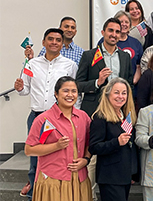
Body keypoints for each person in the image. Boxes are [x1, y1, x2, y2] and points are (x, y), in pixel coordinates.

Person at [15, 28, 78, 200]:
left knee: (59, 156)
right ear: (43, 42)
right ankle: (34, 194)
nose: (54, 42)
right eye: (50, 39)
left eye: (58, 40)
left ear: (62, 44)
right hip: (37, 117)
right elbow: (25, 89)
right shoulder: (32, 64)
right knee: (36, 157)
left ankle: (57, 194)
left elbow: (74, 93)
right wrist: (20, 88)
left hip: (60, 118)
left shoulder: (70, 65)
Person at [24, 76, 91, 201]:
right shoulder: (44, 119)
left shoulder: (83, 117)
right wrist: (56, 146)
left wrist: (86, 160)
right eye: (65, 91)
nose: (70, 95)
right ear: (56, 94)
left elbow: (89, 143)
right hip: (53, 180)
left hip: (79, 178)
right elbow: (29, 150)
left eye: (74, 91)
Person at [88, 77, 137, 201]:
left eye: (124, 93)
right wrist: (116, 142)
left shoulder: (125, 115)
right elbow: (94, 147)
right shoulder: (100, 117)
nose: (120, 96)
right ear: (108, 94)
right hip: (110, 176)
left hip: (125, 175)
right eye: (116, 92)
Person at [76, 17, 134, 117]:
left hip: (118, 110)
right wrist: (97, 82)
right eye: (110, 30)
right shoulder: (89, 55)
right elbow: (78, 85)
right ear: (103, 32)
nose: (114, 34)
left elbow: (129, 84)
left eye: (117, 32)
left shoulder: (125, 57)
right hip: (95, 109)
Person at [97, 11, 144, 99]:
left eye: (126, 22)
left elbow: (139, 66)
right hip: (104, 89)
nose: (124, 24)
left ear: (130, 25)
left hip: (126, 89)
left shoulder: (136, 43)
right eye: (121, 21)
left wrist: (131, 82)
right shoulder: (103, 41)